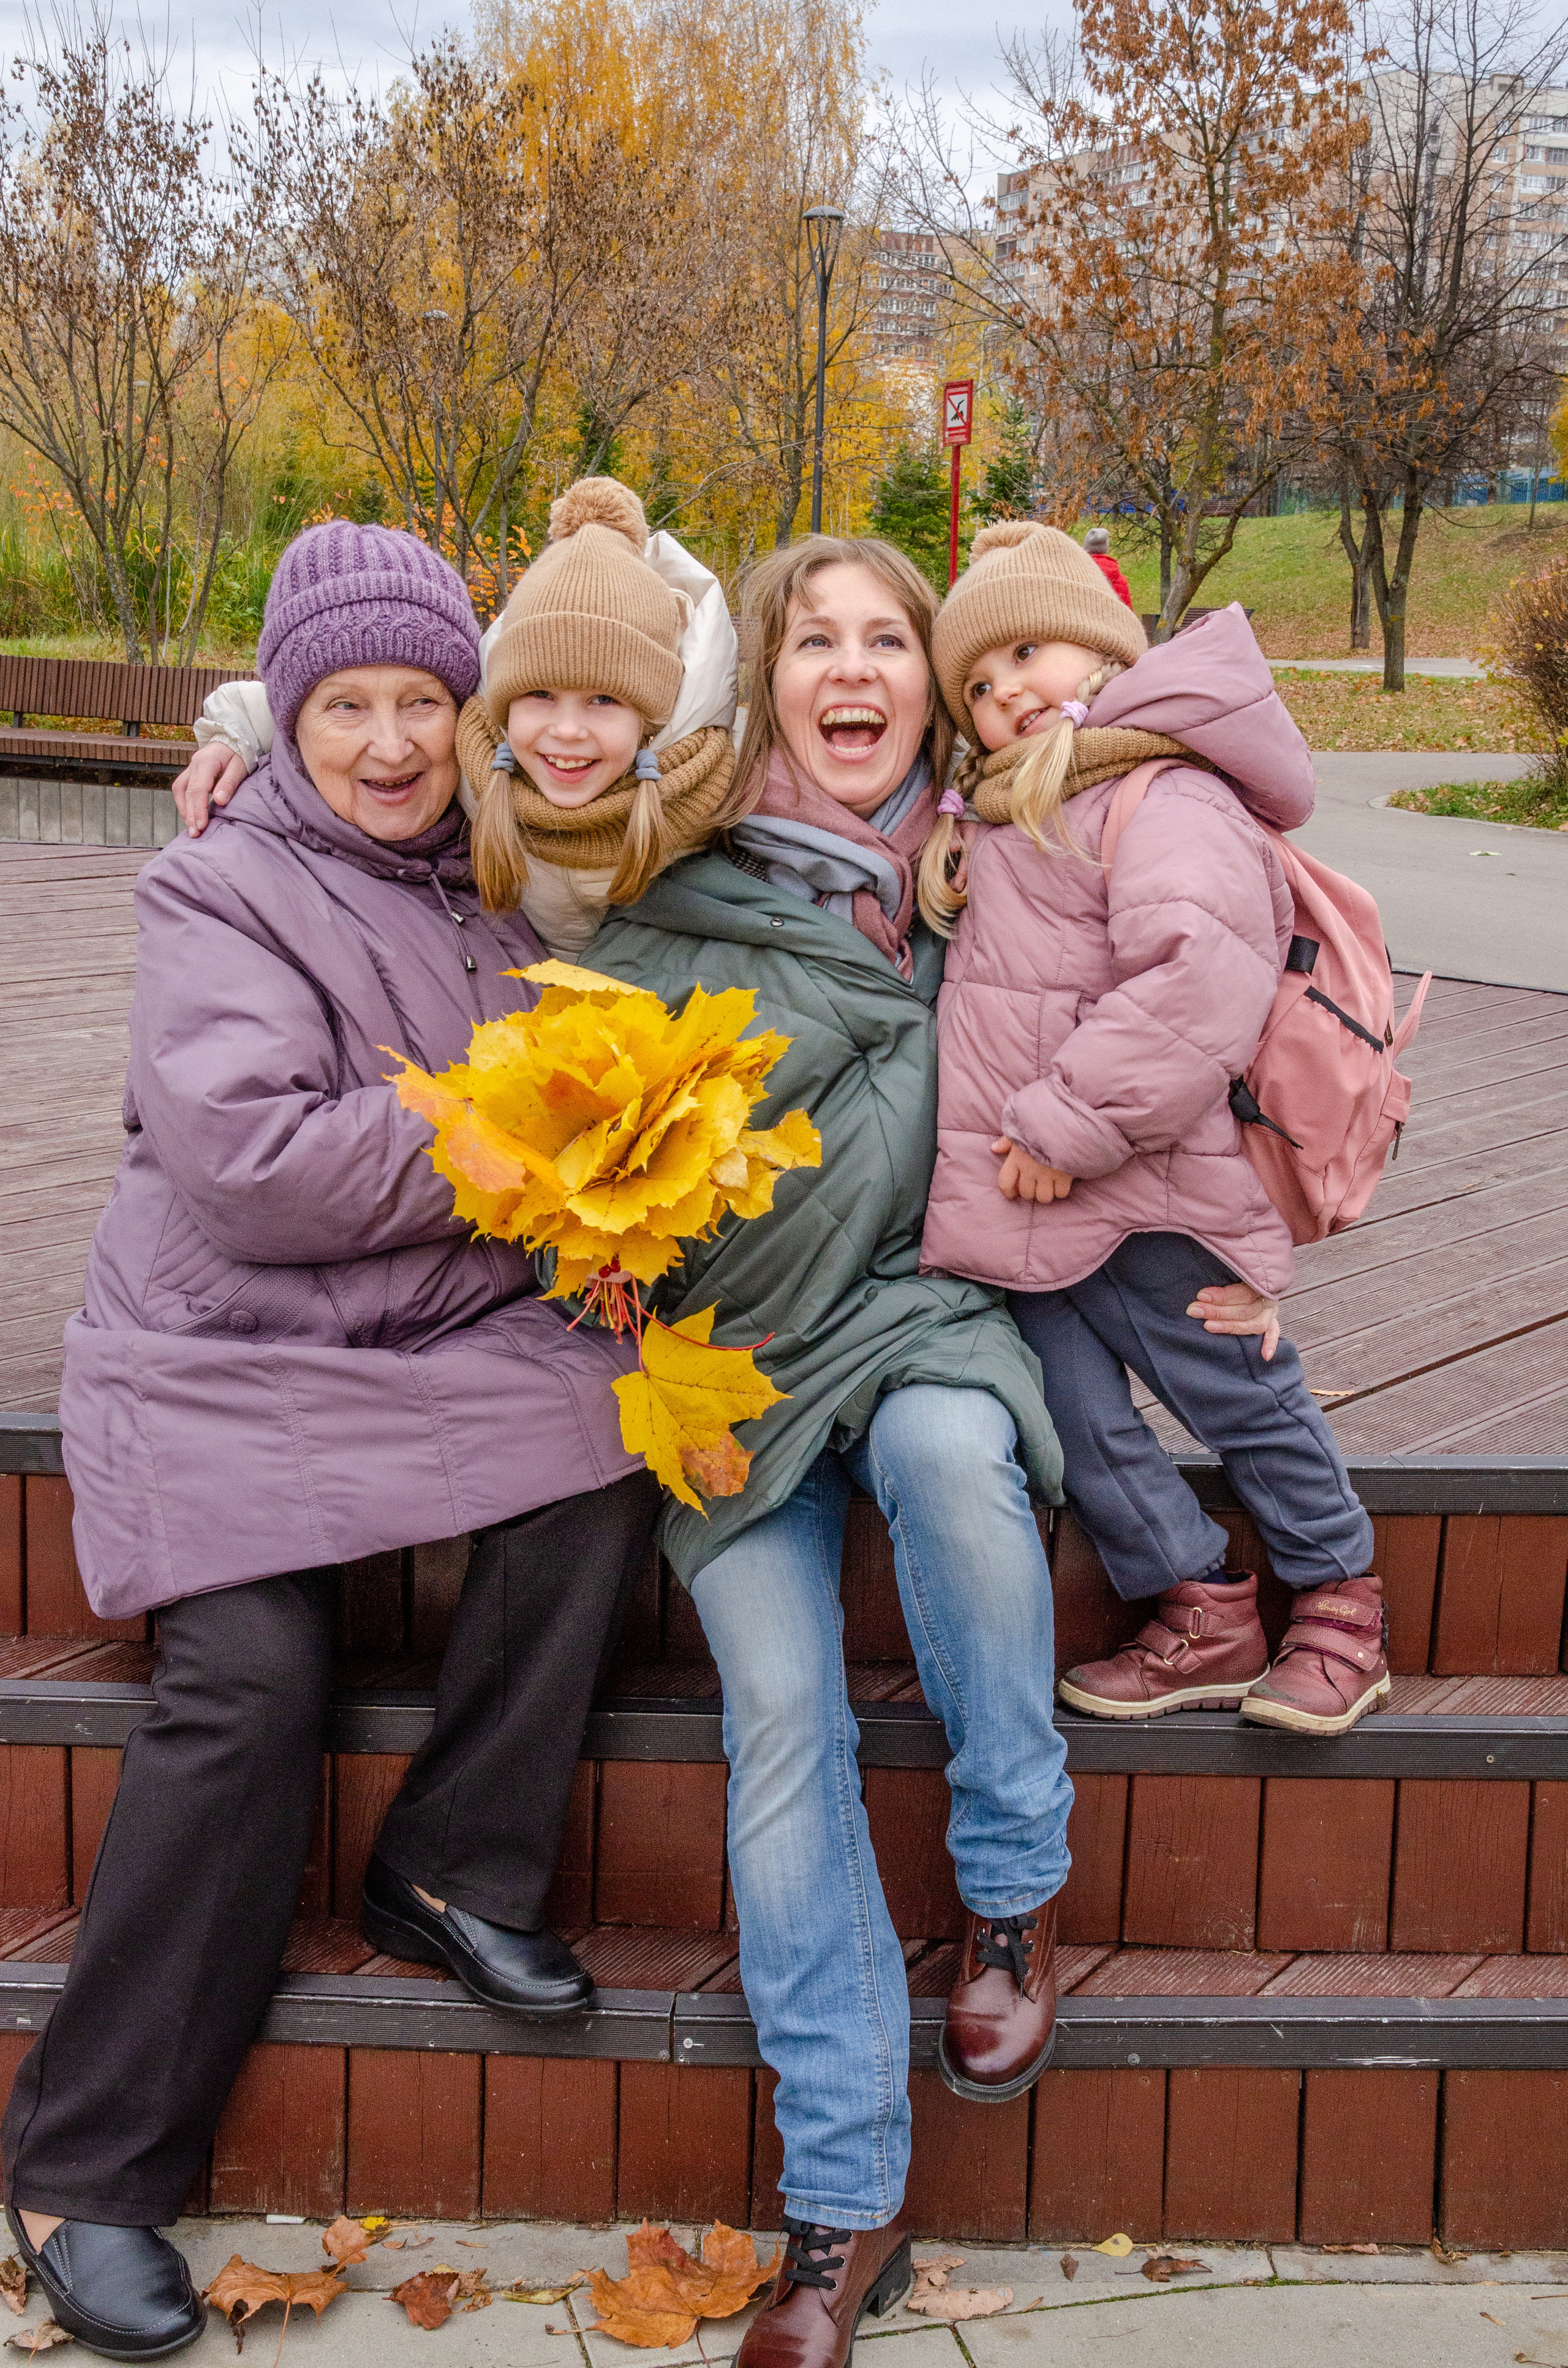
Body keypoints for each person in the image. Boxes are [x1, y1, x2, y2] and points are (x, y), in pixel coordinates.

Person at [2, 521, 658, 2362]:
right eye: (343, 705)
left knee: (611, 1444)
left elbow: (684, 701)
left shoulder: (507, 877)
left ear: (476, 715)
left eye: (423, 703)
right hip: (219, 1348)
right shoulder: (216, 886)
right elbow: (258, 1165)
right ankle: (85, 2161)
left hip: (438, 1329)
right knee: (253, 1675)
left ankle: (454, 1860)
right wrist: (505, 1143)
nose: (386, 741)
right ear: (287, 724)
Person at [589, 537, 1074, 2368]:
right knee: (780, 1712)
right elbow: (499, 803)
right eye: (817, 641)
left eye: (892, 641)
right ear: (767, 679)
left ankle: (1012, 1889)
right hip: (730, 1366)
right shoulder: (674, 882)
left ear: (933, 684)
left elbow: (1198, 834)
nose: (854, 670)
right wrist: (240, 740)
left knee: (959, 1461)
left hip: (925, 1316)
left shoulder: (1004, 871)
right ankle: (844, 2188)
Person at [919, 521, 1386, 1740]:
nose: (1005, 689)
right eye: (975, 681)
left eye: (1028, 650)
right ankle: (1199, 1599)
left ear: (1102, 650)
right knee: (1070, 1416)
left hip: (1151, 1183)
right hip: (1035, 1208)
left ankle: (1338, 1595)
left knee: (1235, 1391)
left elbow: (1195, 983)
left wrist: (1062, 1122)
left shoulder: (1161, 791)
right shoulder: (1022, 808)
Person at [170, 478, 739, 958]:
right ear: (501, 703)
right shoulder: (479, 763)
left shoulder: (717, 786)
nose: (567, 731)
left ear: (653, 717)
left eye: (605, 699)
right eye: (539, 693)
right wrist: (236, 733)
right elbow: (295, 700)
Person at [1084, 524, 1133, 608]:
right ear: (1106, 548)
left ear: (1086, 548)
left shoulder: (1079, 577)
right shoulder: (1121, 581)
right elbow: (1129, 615)